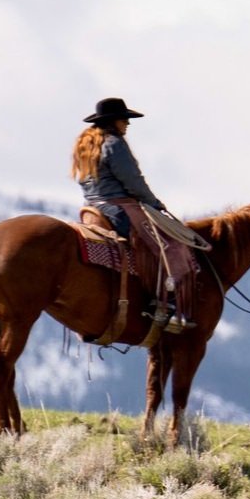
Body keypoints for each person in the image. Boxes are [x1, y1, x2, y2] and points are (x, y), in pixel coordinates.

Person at [72, 96, 192, 330]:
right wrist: (155, 203)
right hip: (118, 209)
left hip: (93, 210)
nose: (127, 124)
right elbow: (133, 182)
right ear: (113, 121)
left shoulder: (86, 146)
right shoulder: (114, 143)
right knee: (167, 244)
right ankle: (163, 303)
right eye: (124, 119)